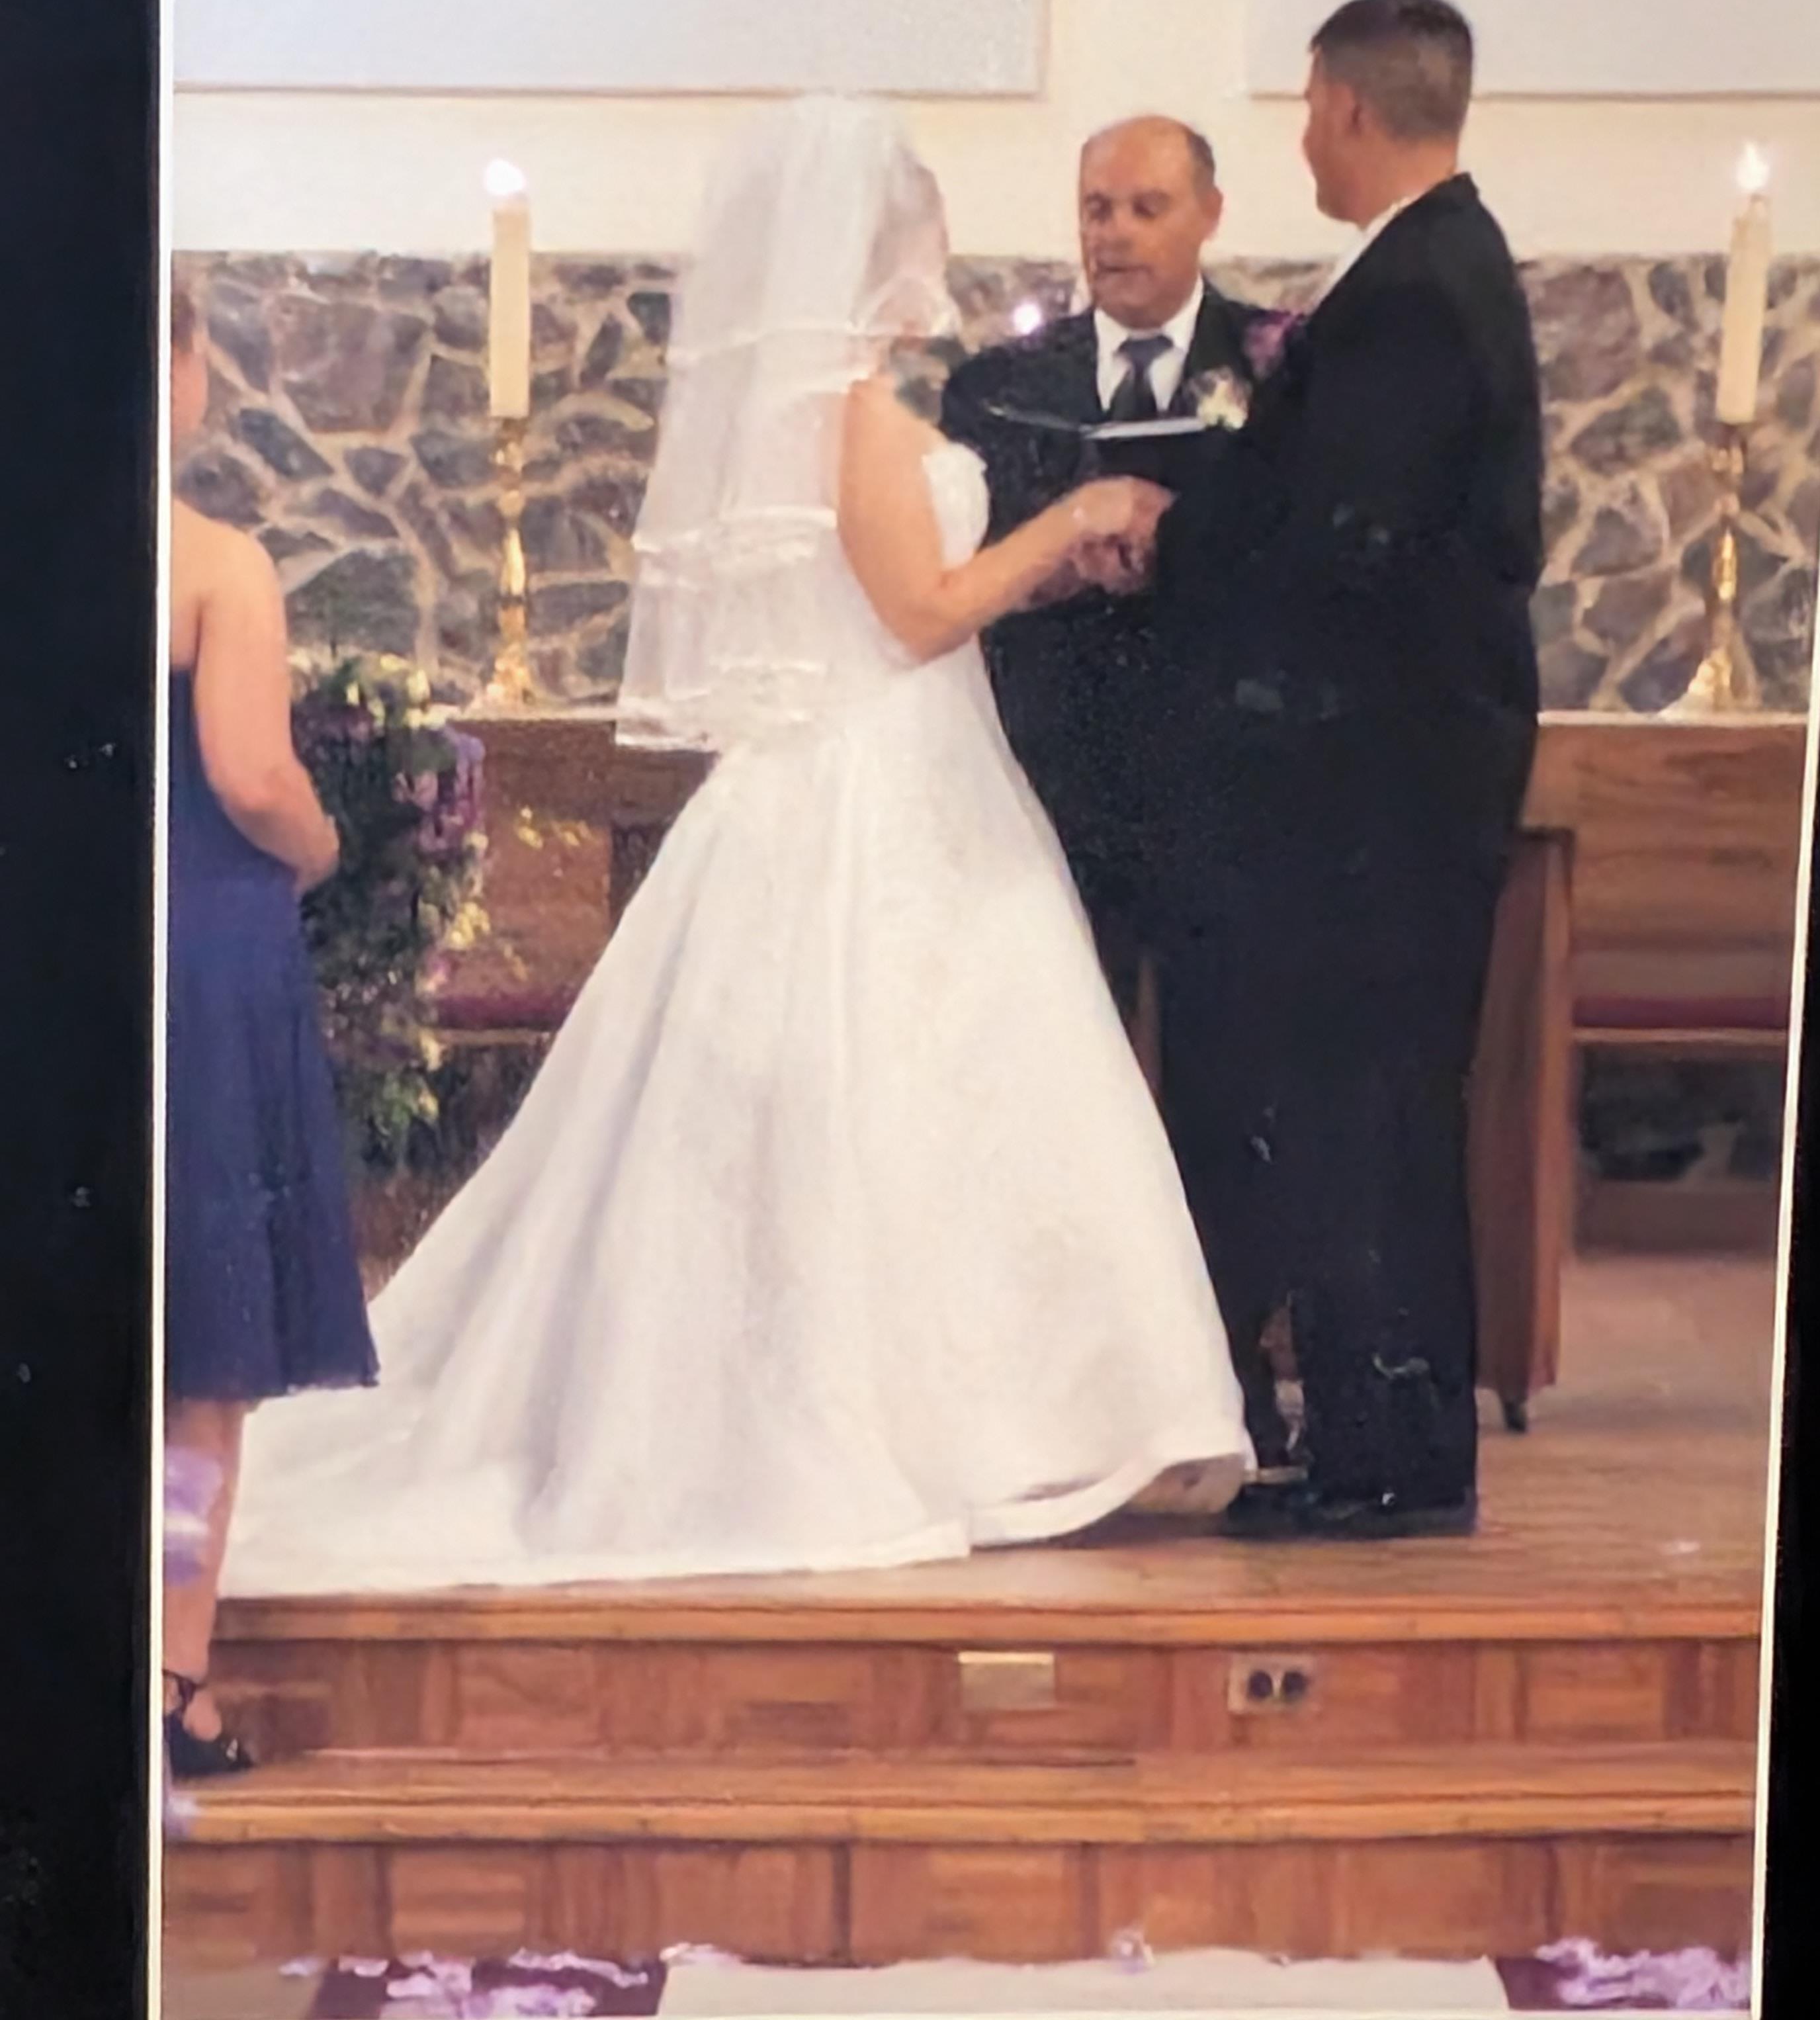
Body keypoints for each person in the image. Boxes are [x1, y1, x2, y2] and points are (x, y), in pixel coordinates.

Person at [221, 97, 1250, 1596]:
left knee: (949, 1100)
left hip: (904, 772)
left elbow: (911, 601)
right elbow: (913, 617)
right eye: (920, 223)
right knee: (891, 1101)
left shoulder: (851, 409)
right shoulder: (843, 413)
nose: (937, 249)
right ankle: (919, 1424)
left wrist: (1036, 564)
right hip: (871, 780)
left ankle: (998, 1419)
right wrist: (1068, 522)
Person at [1146, 0, 1543, 1537]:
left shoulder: (1420, 289)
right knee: (1363, 1110)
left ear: (1354, 108)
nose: (1303, 130)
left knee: (1366, 1110)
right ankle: (1383, 1441)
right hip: (1382, 786)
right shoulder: (1427, 267)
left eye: (1308, 105)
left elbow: (1349, 546)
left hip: (1372, 797)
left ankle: (1391, 1458)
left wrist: (1196, 595)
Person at [162, 282, 374, 1771]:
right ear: (173, 366)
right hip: (196, 953)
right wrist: (322, 849)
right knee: (201, 1345)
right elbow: (247, 774)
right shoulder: (212, 559)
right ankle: (172, 1680)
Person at [939, 117, 1273, 1028]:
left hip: (1225, 780)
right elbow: (960, 573)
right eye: (1096, 209)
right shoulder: (999, 389)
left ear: (1209, 215)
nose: (1114, 233)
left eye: (1145, 208)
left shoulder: (1277, 369)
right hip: (1056, 771)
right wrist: (1057, 567)